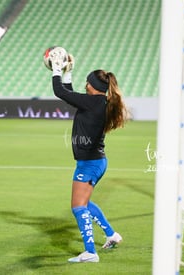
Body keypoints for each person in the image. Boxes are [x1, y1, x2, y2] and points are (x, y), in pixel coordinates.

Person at [49, 48, 127, 263]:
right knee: (84, 203)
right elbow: (70, 95)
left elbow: (61, 92)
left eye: (87, 82)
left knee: (78, 207)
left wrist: (56, 69)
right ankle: (111, 235)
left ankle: (90, 252)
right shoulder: (98, 102)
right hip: (96, 161)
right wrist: (68, 72)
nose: (85, 84)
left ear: (93, 85)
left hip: (89, 164)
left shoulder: (93, 102)